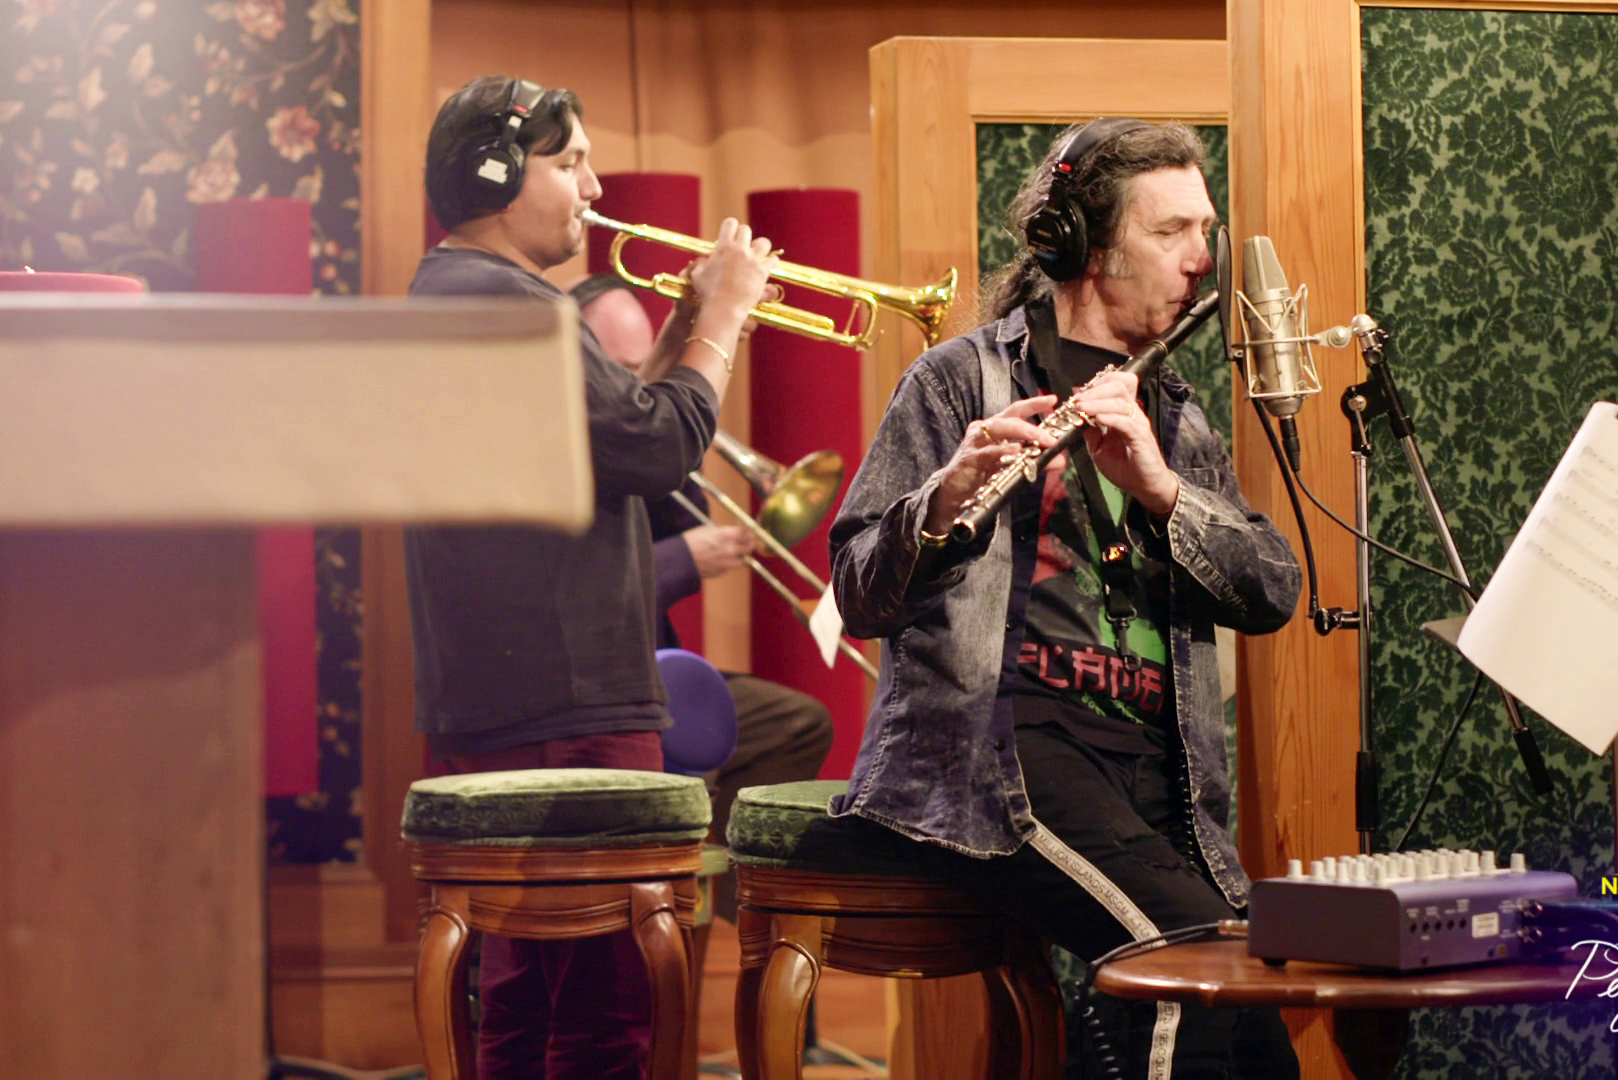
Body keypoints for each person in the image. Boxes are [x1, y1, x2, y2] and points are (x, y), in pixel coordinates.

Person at [826, 119, 1304, 1080]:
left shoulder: (1175, 417)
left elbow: (1273, 590)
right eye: (1171, 232)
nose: (1201, 259)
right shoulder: (958, 381)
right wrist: (943, 502)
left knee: (1257, 1018)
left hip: (1155, 773)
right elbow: (858, 593)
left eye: (1205, 232)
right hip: (1002, 757)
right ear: (1082, 243)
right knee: (1187, 972)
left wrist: (1163, 490)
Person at [406, 74, 773, 1079]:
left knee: (525, 995)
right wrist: (724, 315)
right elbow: (658, 452)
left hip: (513, 702)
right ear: (496, 176)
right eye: (569, 163)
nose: (594, 188)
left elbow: (608, 441)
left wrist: (679, 332)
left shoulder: (457, 293)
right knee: (610, 1004)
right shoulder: (510, 304)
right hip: (569, 704)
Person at [569, 274, 835, 917]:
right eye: (622, 372)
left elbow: (684, 519)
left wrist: (675, 432)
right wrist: (686, 559)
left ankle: (742, 915)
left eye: (644, 367)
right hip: (593, 687)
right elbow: (583, 594)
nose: (636, 387)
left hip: (654, 672)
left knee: (797, 724)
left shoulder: (630, 441)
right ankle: (674, 905)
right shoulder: (563, 453)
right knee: (695, 741)